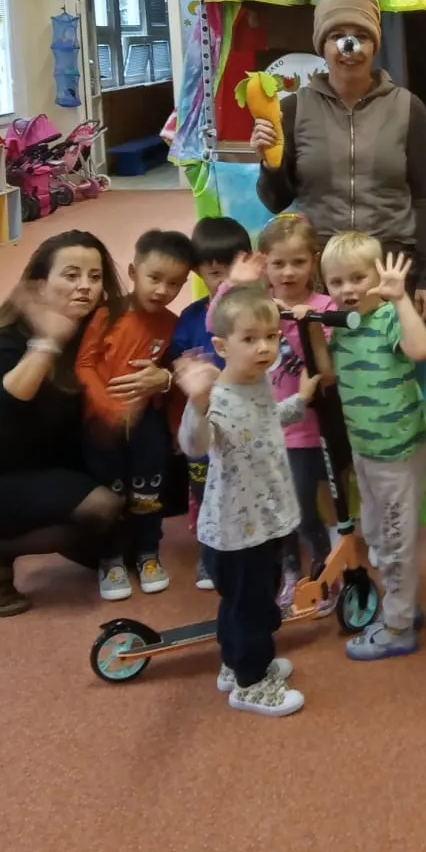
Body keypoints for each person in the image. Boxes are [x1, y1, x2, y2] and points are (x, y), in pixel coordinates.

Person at [249, 0, 426, 319]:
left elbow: (424, 197)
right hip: (323, 270)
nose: (348, 46)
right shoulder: (294, 109)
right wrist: (269, 163)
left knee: (388, 352)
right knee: (324, 354)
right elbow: (276, 201)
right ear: (322, 46)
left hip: (390, 265)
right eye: (337, 36)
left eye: (361, 36)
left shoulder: (407, 107)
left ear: (374, 45)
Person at [175, 284, 317, 718]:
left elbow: (265, 420)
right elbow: (193, 443)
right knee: (250, 607)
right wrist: (198, 404)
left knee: (255, 600)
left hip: (265, 520)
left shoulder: (258, 384)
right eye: (250, 338)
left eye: (271, 337)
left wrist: (300, 401)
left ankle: (234, 663)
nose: (264, 348)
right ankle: (251, 683)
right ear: (222, 346)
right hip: (236, 532)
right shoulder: (215, 397)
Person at [0, 231, 126, 617]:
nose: (85, 286)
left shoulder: (95, 330)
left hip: (57, 465)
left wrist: (165, 378)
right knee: (101, 506)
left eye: (95, 277)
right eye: (71, 275)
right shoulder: (4, 342)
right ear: (40, 285)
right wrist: (47, 342)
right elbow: (8, 401)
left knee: (143, 506)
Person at [319, 231, 426, 663]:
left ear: (377, 276)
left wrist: (400, 299)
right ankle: (402, 604)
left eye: (358, 278)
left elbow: (420, 349)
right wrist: (307, 324)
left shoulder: (387, 318)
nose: (347, 290)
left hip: (398, 453)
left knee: (396, 541)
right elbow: (328, 374)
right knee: (378, 535)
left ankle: (399, 627)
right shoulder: (341, 324)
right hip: (365, 450)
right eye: (336, 282)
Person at [76, 228, 193, 601]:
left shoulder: (172, 325)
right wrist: (110, 408)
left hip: (147, 424)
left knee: (148, 490)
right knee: (109, 491)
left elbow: (175, 380)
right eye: (154, 278)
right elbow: (84, 365)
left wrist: (175, 427)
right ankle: (110, 559)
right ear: (132, 271)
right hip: (101, 425)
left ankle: (148, 554)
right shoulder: (105, 316)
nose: (161, 290)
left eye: (173, 283)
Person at [169, 215, 253, 591]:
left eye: (232, 271)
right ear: (198, 272)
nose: (225, 281)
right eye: (215, 273)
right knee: (206, 494)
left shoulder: (259, 313)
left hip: (246, 425)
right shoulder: (191, 319)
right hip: (205, 426)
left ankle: (255, 550)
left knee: (247, 490)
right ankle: (210, 554)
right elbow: (179, 364)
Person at [256, 213, 334, 608]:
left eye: (298, 262)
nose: (288, 272)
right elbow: (218, 322)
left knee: (302, 506)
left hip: (304, 431)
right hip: (264, 426)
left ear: (313, 261)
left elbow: (321, 368)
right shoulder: (256, 306)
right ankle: (290, 569)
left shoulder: (324, 307)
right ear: (264, 263)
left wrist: (299, 323)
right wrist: (239, 285)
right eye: (278, 263)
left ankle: (323, 570)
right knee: (274, 507)